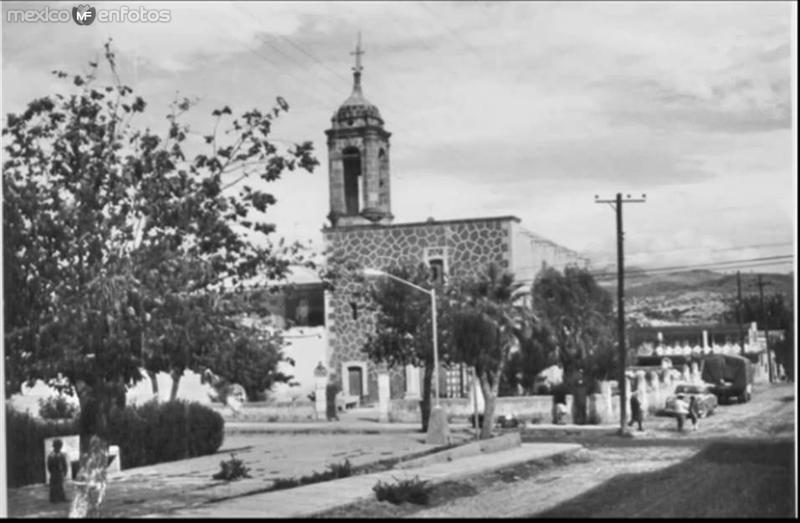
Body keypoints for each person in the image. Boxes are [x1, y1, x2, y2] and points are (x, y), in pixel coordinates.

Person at [47, 439, 69, 503]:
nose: (58, 448)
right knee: (53, 485)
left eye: (59, 446)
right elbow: (49, 465)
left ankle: (62, 498)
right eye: (57, 446)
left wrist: (64, 472)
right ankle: (53, 499)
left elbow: (64, 464)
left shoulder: (61, 455)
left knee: (60, 485)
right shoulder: (51, 455)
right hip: (54, 472)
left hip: (60, 472)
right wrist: (52, 472)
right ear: (54, 446)